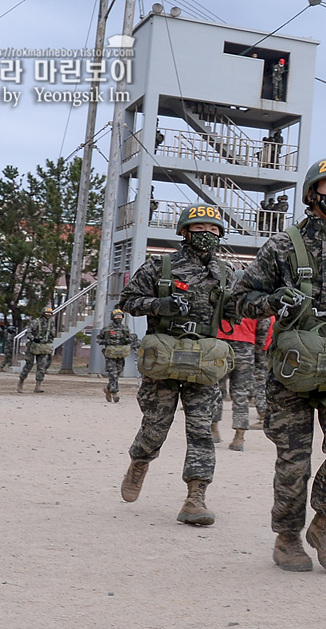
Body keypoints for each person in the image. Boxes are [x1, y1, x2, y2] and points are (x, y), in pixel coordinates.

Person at [234, 156, 326, 574]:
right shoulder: (282, 246)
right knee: (293, 459)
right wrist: (273, 301)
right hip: (293, 370)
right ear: (313, 192)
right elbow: (242, 299)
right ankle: (287, 537)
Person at [118, 204, 236, 526]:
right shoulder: (160, 267)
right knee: (156, 427)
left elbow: (237, 309)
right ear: (185, 231)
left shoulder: (225, 274)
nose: (208, 235)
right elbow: (127, 300)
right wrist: (160, 303)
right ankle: (139, 461)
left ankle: (195, 498)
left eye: (214, 230)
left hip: (203, 362)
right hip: (165, 360)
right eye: (200, 229)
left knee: (201, 431)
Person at [211, 315, 258, 451]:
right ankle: (239, 437)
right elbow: (263, 329)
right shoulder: (252, 299)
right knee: (240, 395)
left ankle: (213, 429)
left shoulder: (222, 295)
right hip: (246, 348)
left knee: (216, 390)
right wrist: (259, 357)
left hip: (221, 346)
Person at [96, 308, 139, 403]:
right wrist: (105, 341)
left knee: (118, 372)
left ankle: (108, 389)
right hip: (110, 355)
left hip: (121, 354)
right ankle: (114, 393)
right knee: (113, 373)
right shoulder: (107, 329)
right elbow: (98, 339)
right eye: (116, 316)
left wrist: (131, 341)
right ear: (113, 317)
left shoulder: (125, 329)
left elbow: (132, 338)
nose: (118, 318)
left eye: (120, 316)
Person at [17, 306, 56, 393]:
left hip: (44, 347)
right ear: (43, 314)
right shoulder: (35, 322)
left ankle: (38, 385)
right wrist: (33, 339)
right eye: (47, 313)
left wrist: (48, 344)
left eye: (50, 313)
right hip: (33, 346)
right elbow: (28, 332)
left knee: (42, 367)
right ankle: (21, 382)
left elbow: (52, 335)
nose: (49, 315)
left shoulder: (51, 324)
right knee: (28, 365)